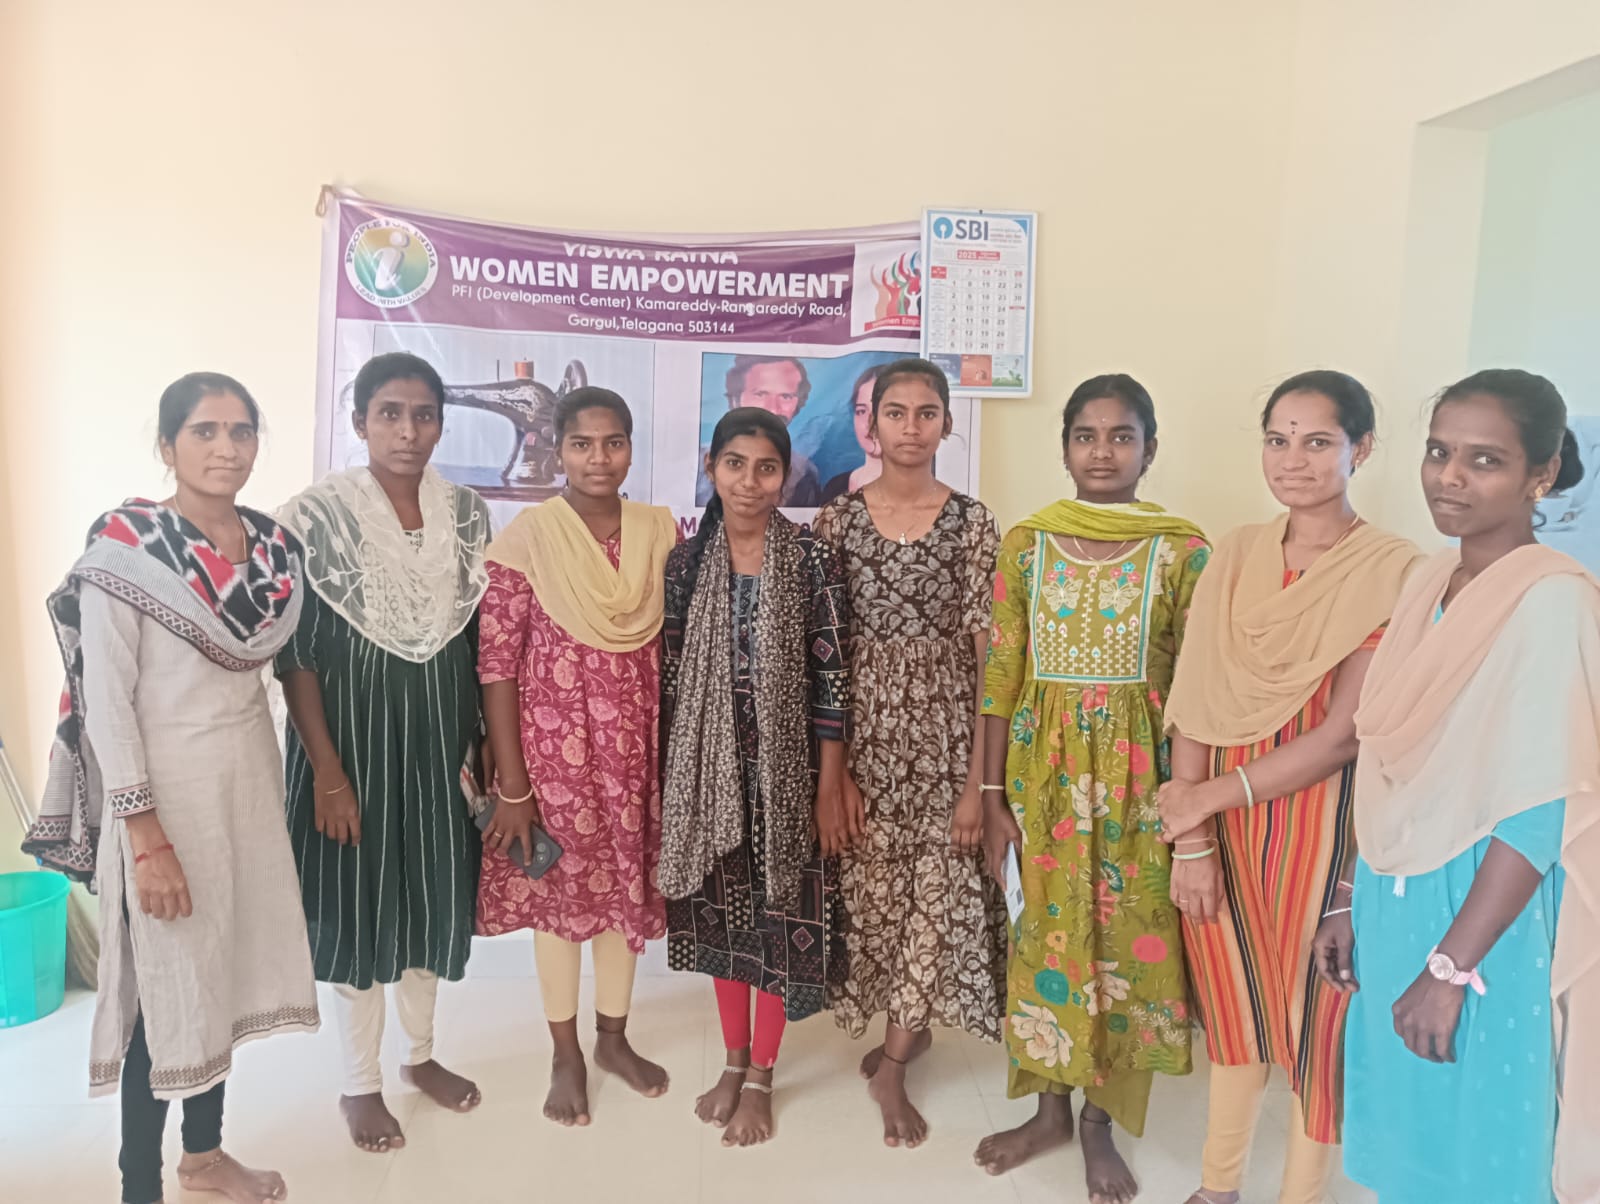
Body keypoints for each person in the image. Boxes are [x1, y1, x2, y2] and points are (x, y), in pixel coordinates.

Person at [22, 373, 317, 1204]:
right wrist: (145, 837)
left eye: (241, 431)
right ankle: (138, 1187)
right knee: (163, 990)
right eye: (204, 431)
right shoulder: (128, 548)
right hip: (159, 798)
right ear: (167, 445)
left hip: (244, 788)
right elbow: (109, 703)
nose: (226, 448)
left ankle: (204, 1158)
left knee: (214, 973)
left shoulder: (272, 552)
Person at [1326, 369, 1598, 1204]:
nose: (1450, 477)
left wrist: (1449, 969)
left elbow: (1537, 810)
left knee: (1484, 1136)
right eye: (1439, 451)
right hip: (1394, 890)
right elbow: (1387, 761)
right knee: (1408, 1123)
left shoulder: (1550, 602)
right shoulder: (1427, 585)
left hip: (1483, 910)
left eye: (1485, 460)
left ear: (1540, 474)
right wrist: (1348, 894)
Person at [1157, 370, 1422, 1204]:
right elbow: (1196, 697)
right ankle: (1218, 1187)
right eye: (1278, 439)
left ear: (1361, 449)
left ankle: (1300, 1196)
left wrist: (1203, 800)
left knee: (1319, 1025)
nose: (1293, 460)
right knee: (1233, 1010)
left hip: (1327, 832)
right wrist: (1192, 840)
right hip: (1224, 832)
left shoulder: (1391, 570)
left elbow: (1343, 734)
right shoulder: (1236, 553)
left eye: (1317, 441)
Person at [974, 374, 1210, 1203]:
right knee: (1044, 939)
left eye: (1121, 436)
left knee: (1127, 946)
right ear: (1065, 446)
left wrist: (1191, 805)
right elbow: (1000, 675)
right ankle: (1047, 1109)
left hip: (1141, 786)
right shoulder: (1027, 545)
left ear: (1151, 447)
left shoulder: (1183, 552)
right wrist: (990, 794)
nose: (1102, 452)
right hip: (1042, 780)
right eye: (1086, 435)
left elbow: (1199, 688)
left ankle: (1098, 1122)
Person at [276, 352, 492, 1153]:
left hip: (439, 734)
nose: (408, 431)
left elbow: (476, 639)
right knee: (359, 906)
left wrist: (482, 744)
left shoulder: (466, 514)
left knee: (432, 894)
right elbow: (296, 655)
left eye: (424, 415)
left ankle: (421, 1056)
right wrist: (327, 772)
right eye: (390, 414)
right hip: (351, 742)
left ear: (441, 423)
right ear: (359, 421)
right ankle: (359, 1083)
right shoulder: (315, 517)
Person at [814, 357, 1007, 1150]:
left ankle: (892, 1065)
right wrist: (833, 773)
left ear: (947, 425)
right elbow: (826, 654)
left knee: (943, 890)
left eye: (927, 413)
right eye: (895, 412)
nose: (911, 427)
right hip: (864, 742)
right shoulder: (836, 522)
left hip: (948, 739)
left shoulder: (973, 523)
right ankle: (909, 1020)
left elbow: (990, 658)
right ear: (872, 424)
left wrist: (979, 784)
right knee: (877, 897)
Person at [475, 386, 678, 1126]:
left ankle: (613, 1039)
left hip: (635, 754)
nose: (599, 458)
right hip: (552, 756)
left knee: (624, 893)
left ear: (630, 448)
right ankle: (565, 1053)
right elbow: (497, 666)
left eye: (614, 442)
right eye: (583, 444)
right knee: (559, 905)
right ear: (557, 450)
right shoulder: (527, 539)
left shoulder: (658, 532)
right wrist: (514, 784)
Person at [661, 406, 852, 1147]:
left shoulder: (811, 559)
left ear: (783, 479)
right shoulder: (686, 563)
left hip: (788, 775)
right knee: (723, 919)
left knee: (779, 922)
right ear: (711, 469)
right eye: (734, 464)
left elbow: (833, 678)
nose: (749, 481)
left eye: (766, 468)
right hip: (709, 770)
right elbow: (672, 677)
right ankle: (732, 1061)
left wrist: (828, 785)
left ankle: (763, 1076)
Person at [694, 356, 824, 507]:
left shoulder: (804, 473)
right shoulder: (692, 466)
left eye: (785, 396)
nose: (773, 409)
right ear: (735, 400)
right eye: (760, 394)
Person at [819, 362, 890, 503]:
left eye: (881, 411)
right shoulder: (835, 488)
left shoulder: (921, 490)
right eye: (861, 411)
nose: (870, 422)